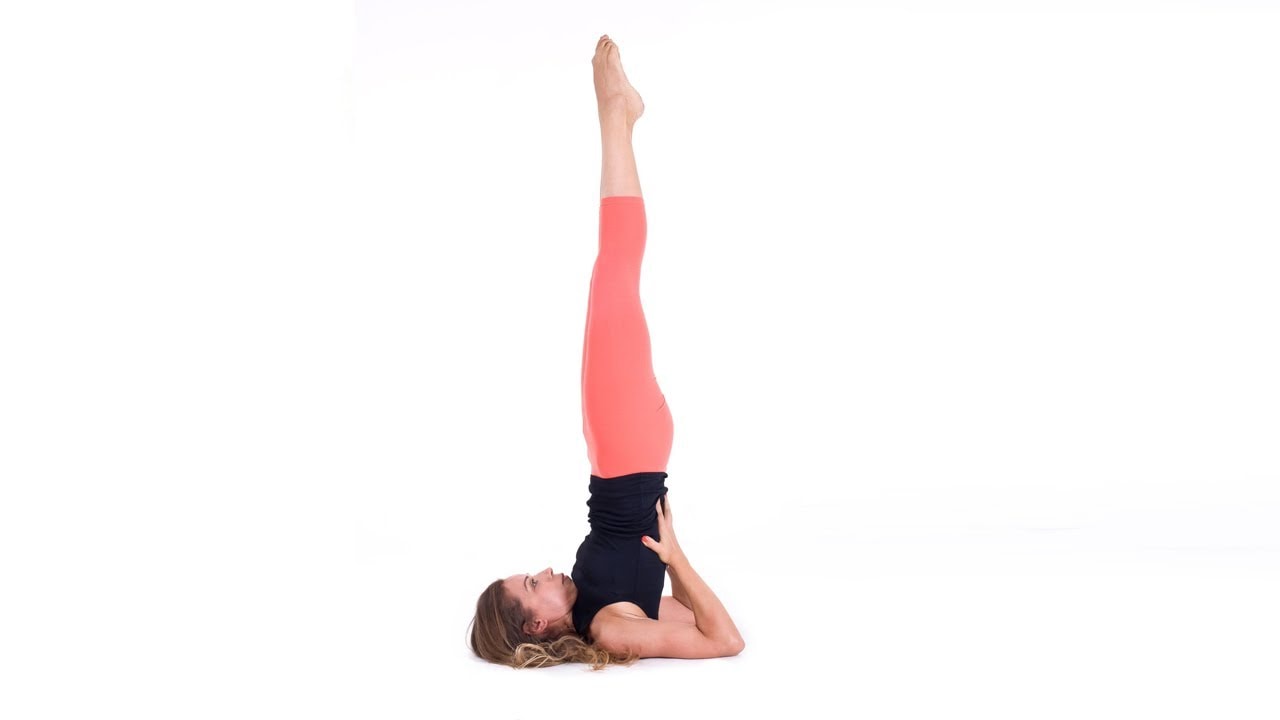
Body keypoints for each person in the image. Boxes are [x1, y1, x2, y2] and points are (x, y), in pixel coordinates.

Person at [467, 35, 745, 670]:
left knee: (609, 277)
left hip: (621, 453)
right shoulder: (613, 629)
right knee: (614, 270)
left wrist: (671, 564)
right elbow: (724, 638)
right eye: (532, 583)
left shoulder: (604, 607)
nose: (543, 570)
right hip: (627, 451)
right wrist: (675, 557)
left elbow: (692, 616)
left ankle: (618, 116)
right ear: (537, 622)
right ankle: (615, 114)